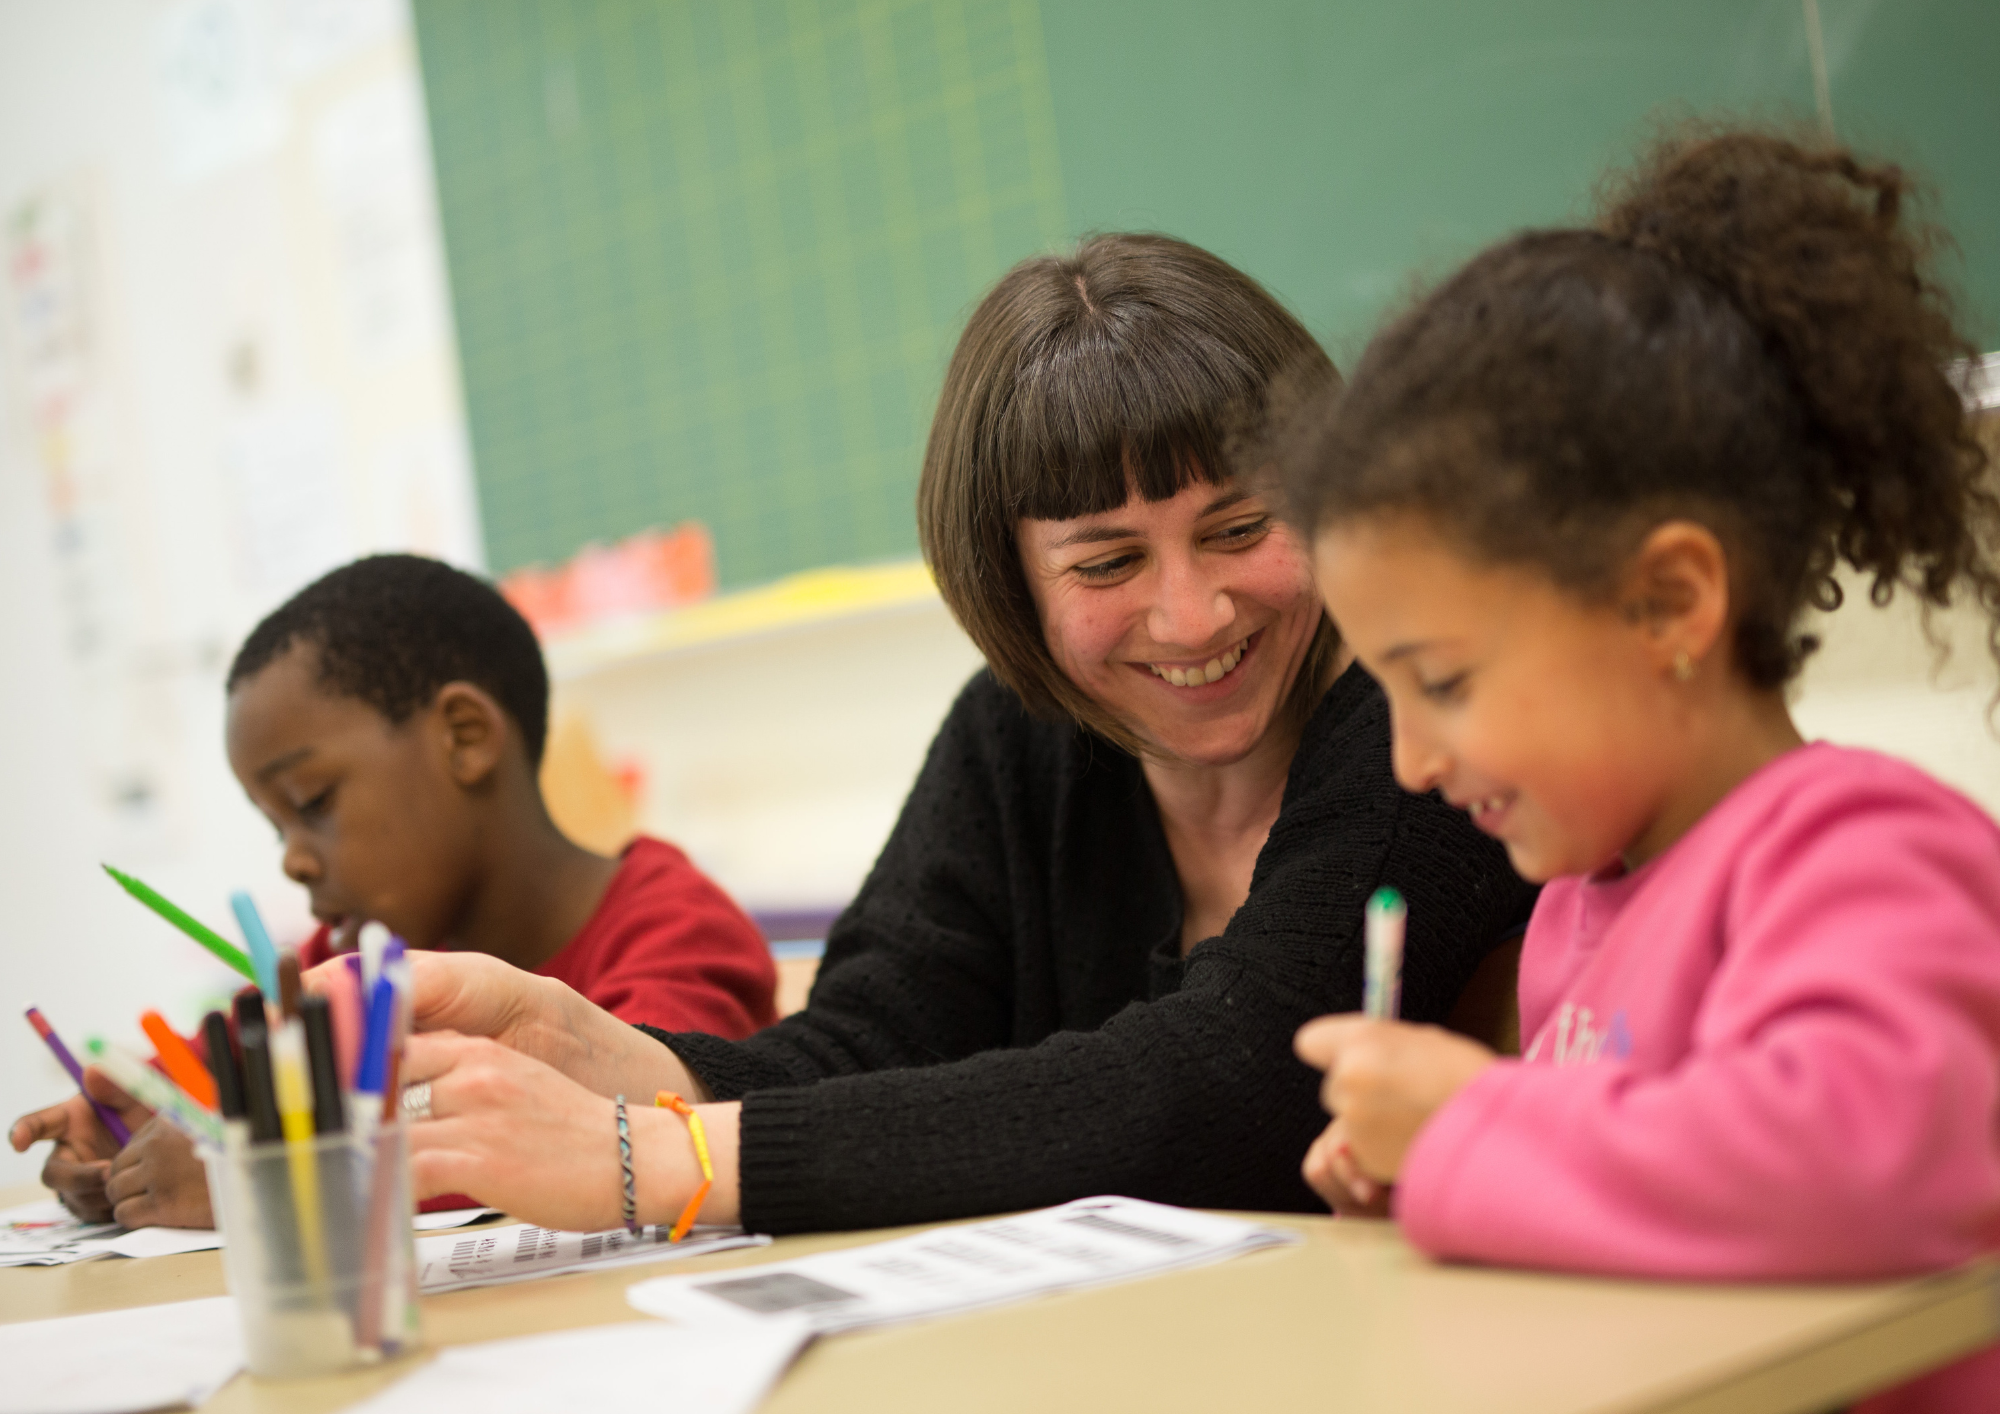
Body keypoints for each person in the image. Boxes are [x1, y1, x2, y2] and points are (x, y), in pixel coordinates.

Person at [375, 233, 1539, 1236]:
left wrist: (652, 1160)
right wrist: (607, 1058)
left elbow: (1234, 1081)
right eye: (1107, 562)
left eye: (1239, 527)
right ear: (1010, 585)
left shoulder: (1423, 724)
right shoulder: (1017, 732)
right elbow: (876, 1044)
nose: (1192, 614)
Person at [1281, 129, 2000, 1412]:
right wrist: (1442, 1173)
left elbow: (1855, 1165)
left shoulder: (1858, 848)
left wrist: (1477, 1130)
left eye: (1440, 681)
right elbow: (1668, 1197)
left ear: (1667, 602)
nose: (1408, 756)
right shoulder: (1577, 904)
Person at [11, 554, 777, 1226]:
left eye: (312, 803)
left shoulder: (677, 930)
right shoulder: (351, 960)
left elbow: (618, 1134)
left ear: (465, 738)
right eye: (277, 828)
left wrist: (265, 1178)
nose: (294, 863)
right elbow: (209, 1085)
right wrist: (130, 1125)